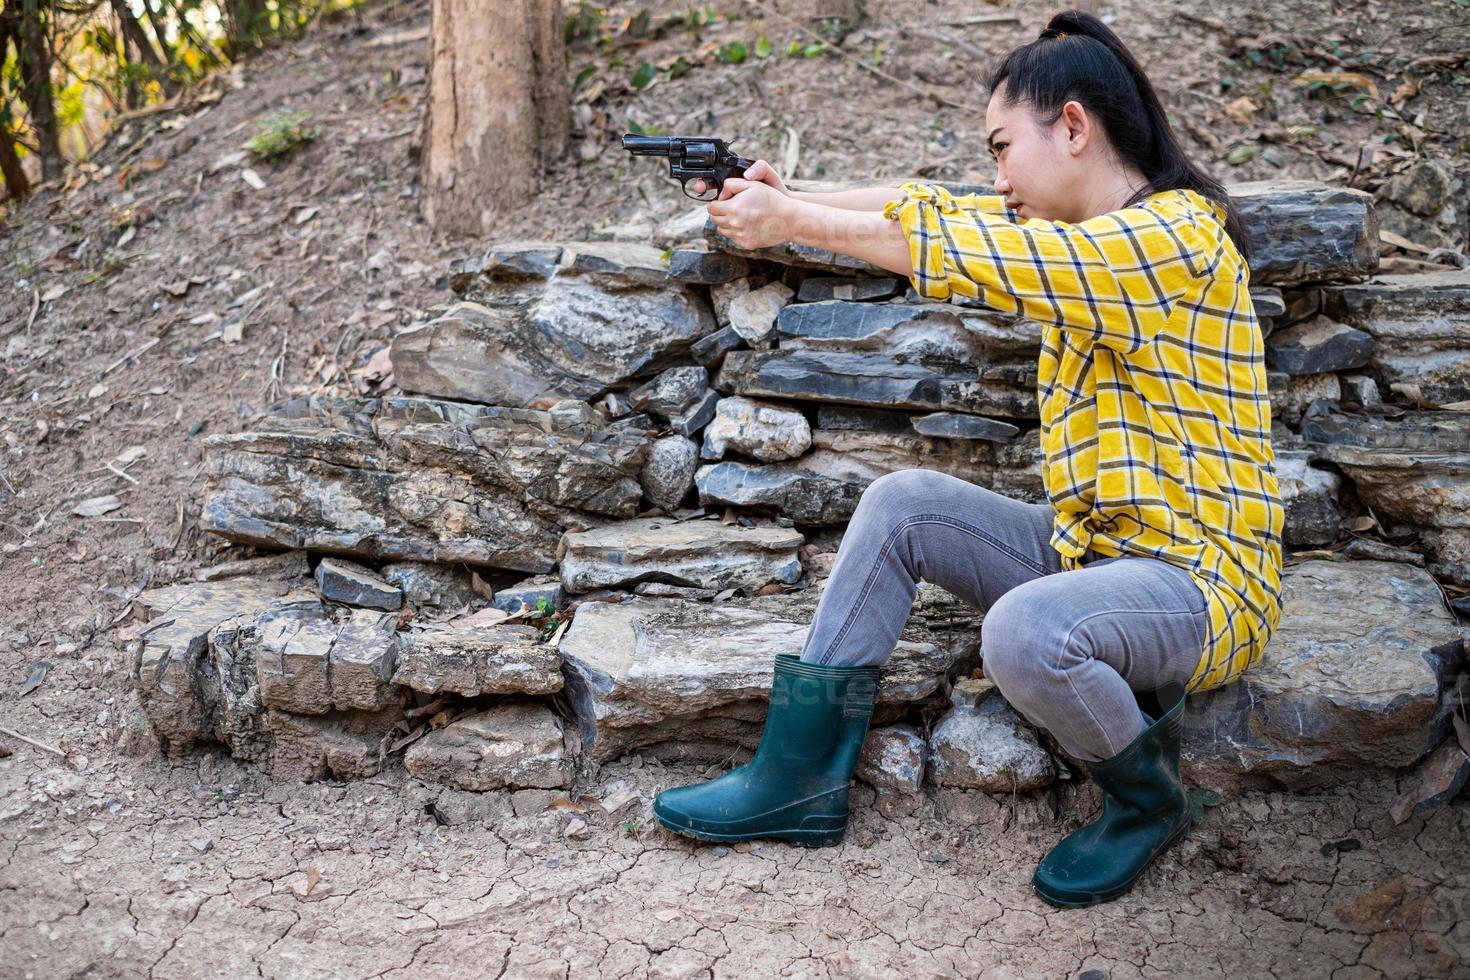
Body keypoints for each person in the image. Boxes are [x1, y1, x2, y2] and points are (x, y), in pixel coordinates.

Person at [652, 9, 1285, 910]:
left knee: (1026, 632)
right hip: (1089, 552)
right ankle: (796, 782)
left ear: (1073, 126)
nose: (997, 177)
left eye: (1001, 148)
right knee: (905, 502)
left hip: (1202, 585)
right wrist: (785, 192)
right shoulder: (1083, 233)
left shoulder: (1171, 239)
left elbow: (964, 245)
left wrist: (793, 219)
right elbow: (936, 206)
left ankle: (1151, 802)